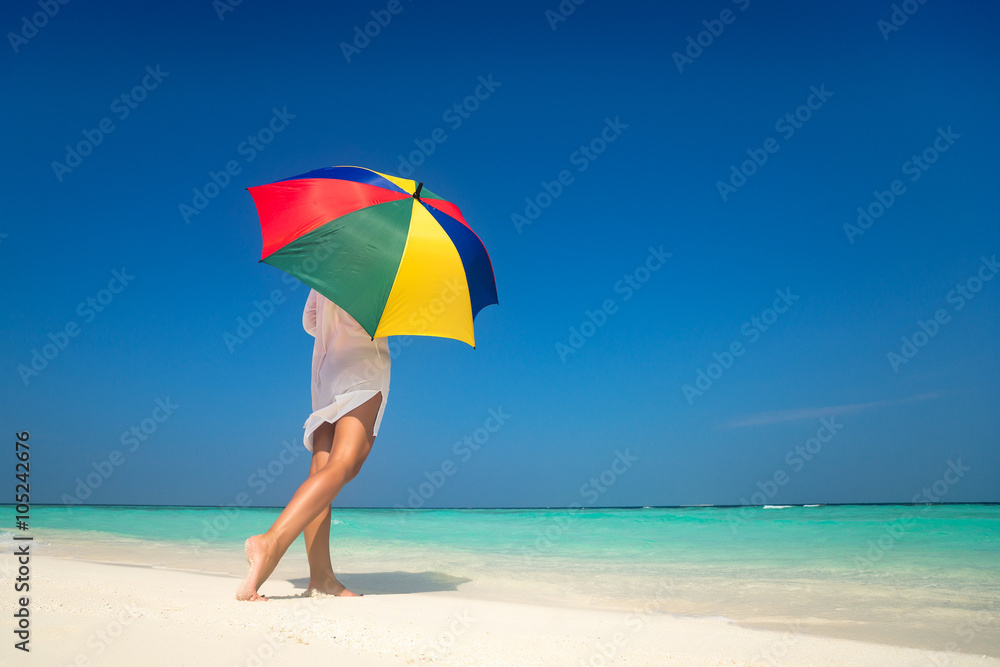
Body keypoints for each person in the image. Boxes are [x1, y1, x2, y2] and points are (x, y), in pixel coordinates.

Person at [237, 288, 390, 601]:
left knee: (323, 468)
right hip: (364, 366)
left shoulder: (333, 252)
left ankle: (321, 577)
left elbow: (310, 320)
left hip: (327, 369)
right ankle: (270, 543)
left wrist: (335, 325)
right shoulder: (387, 264)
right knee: (344, 464)